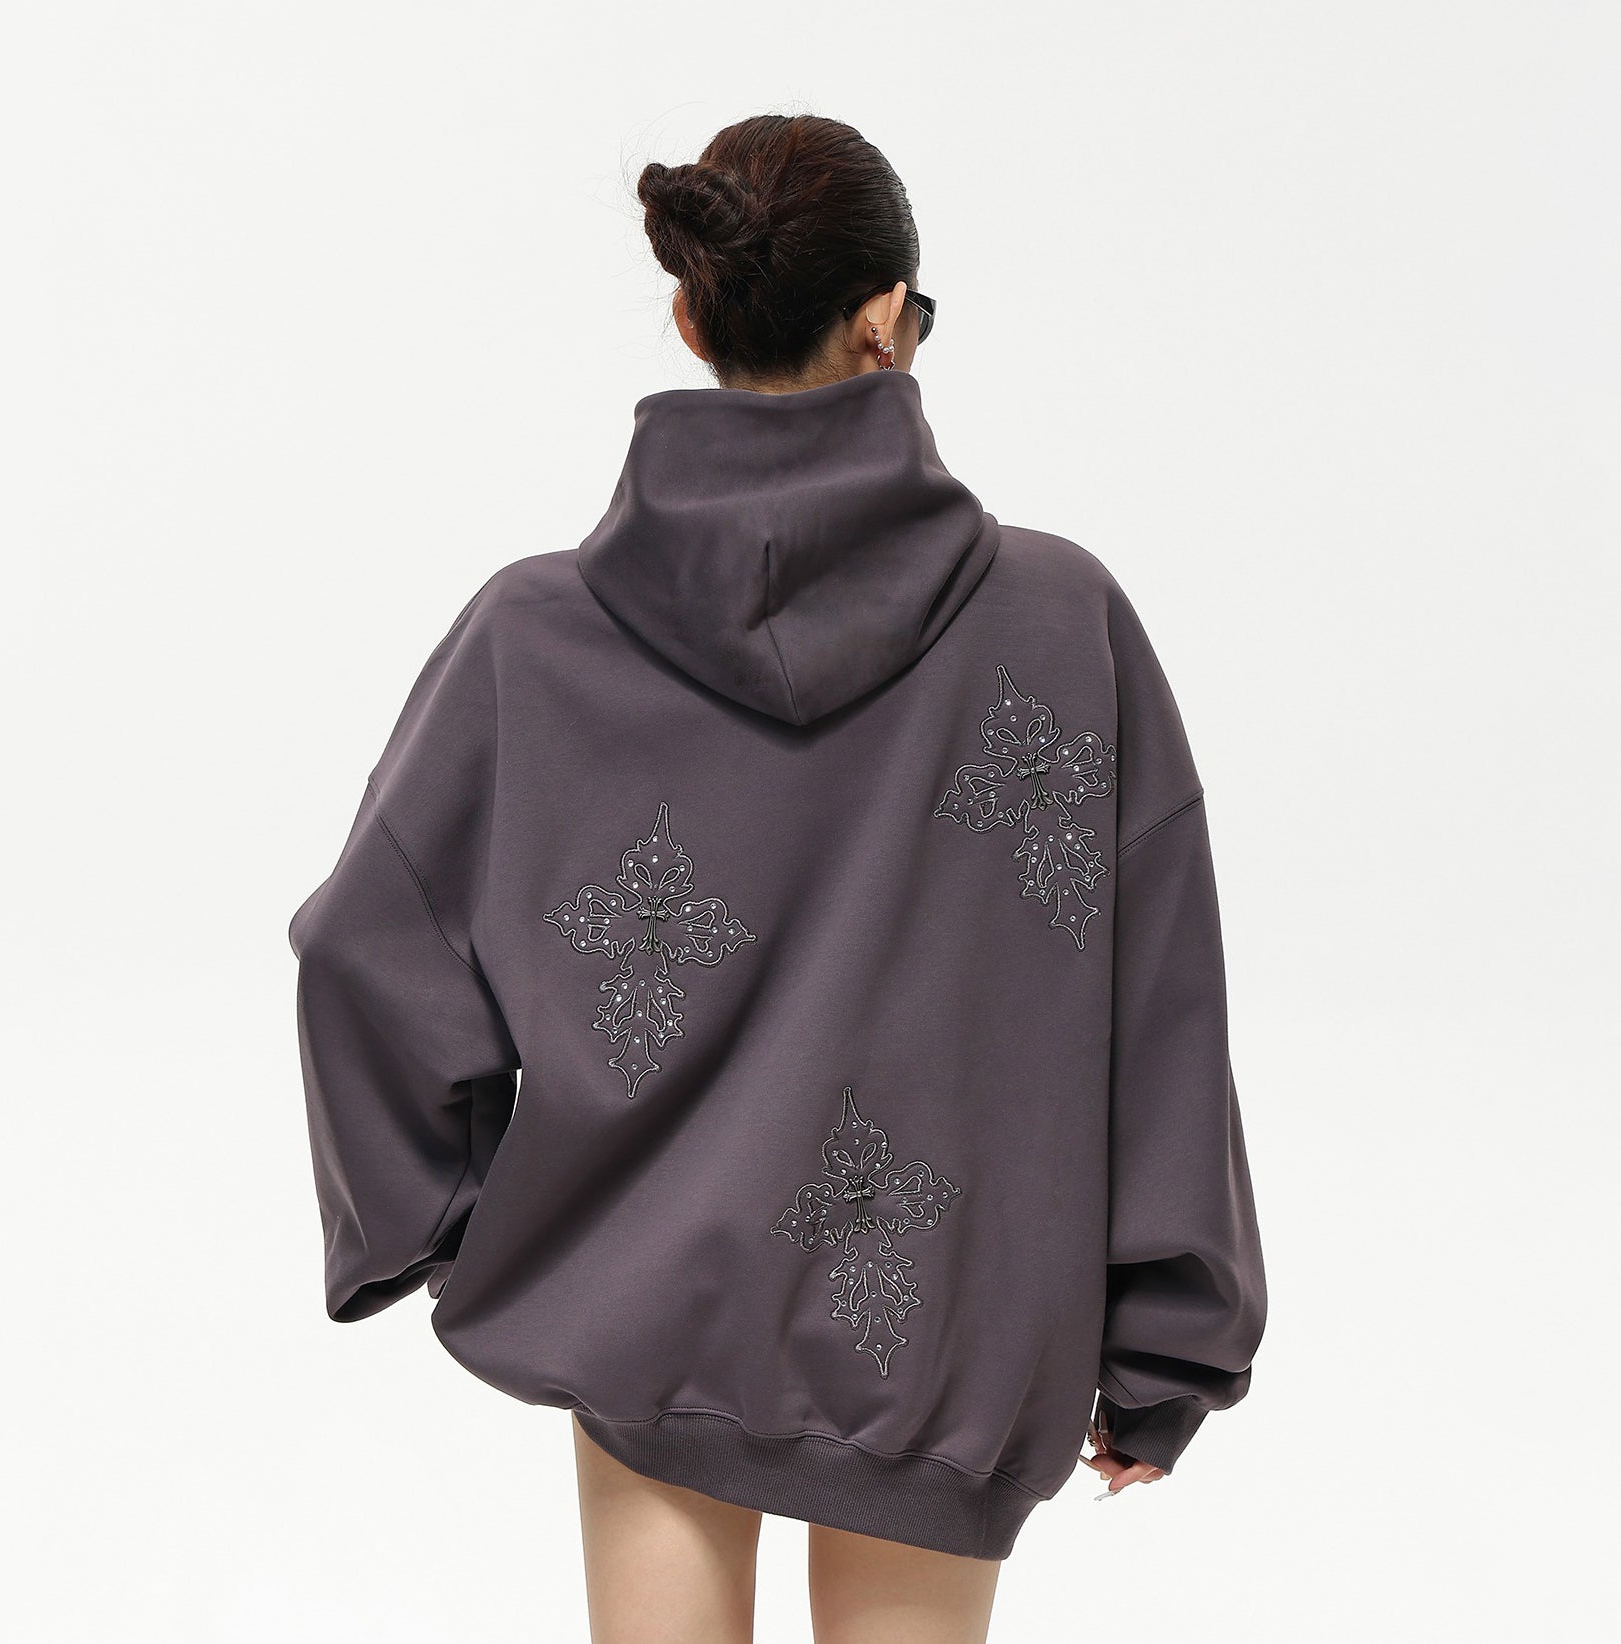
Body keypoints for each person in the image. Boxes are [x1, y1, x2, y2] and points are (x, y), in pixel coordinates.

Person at [287, 112, 1268, 1644]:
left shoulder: (531, 641)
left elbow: (369, 947)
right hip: (944, 1322)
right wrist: (1168, 1346)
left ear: (691, 320)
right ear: (885, 322)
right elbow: (1159, 1006)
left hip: (640, 1299)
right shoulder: (1060, 624)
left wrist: (451, 1222)